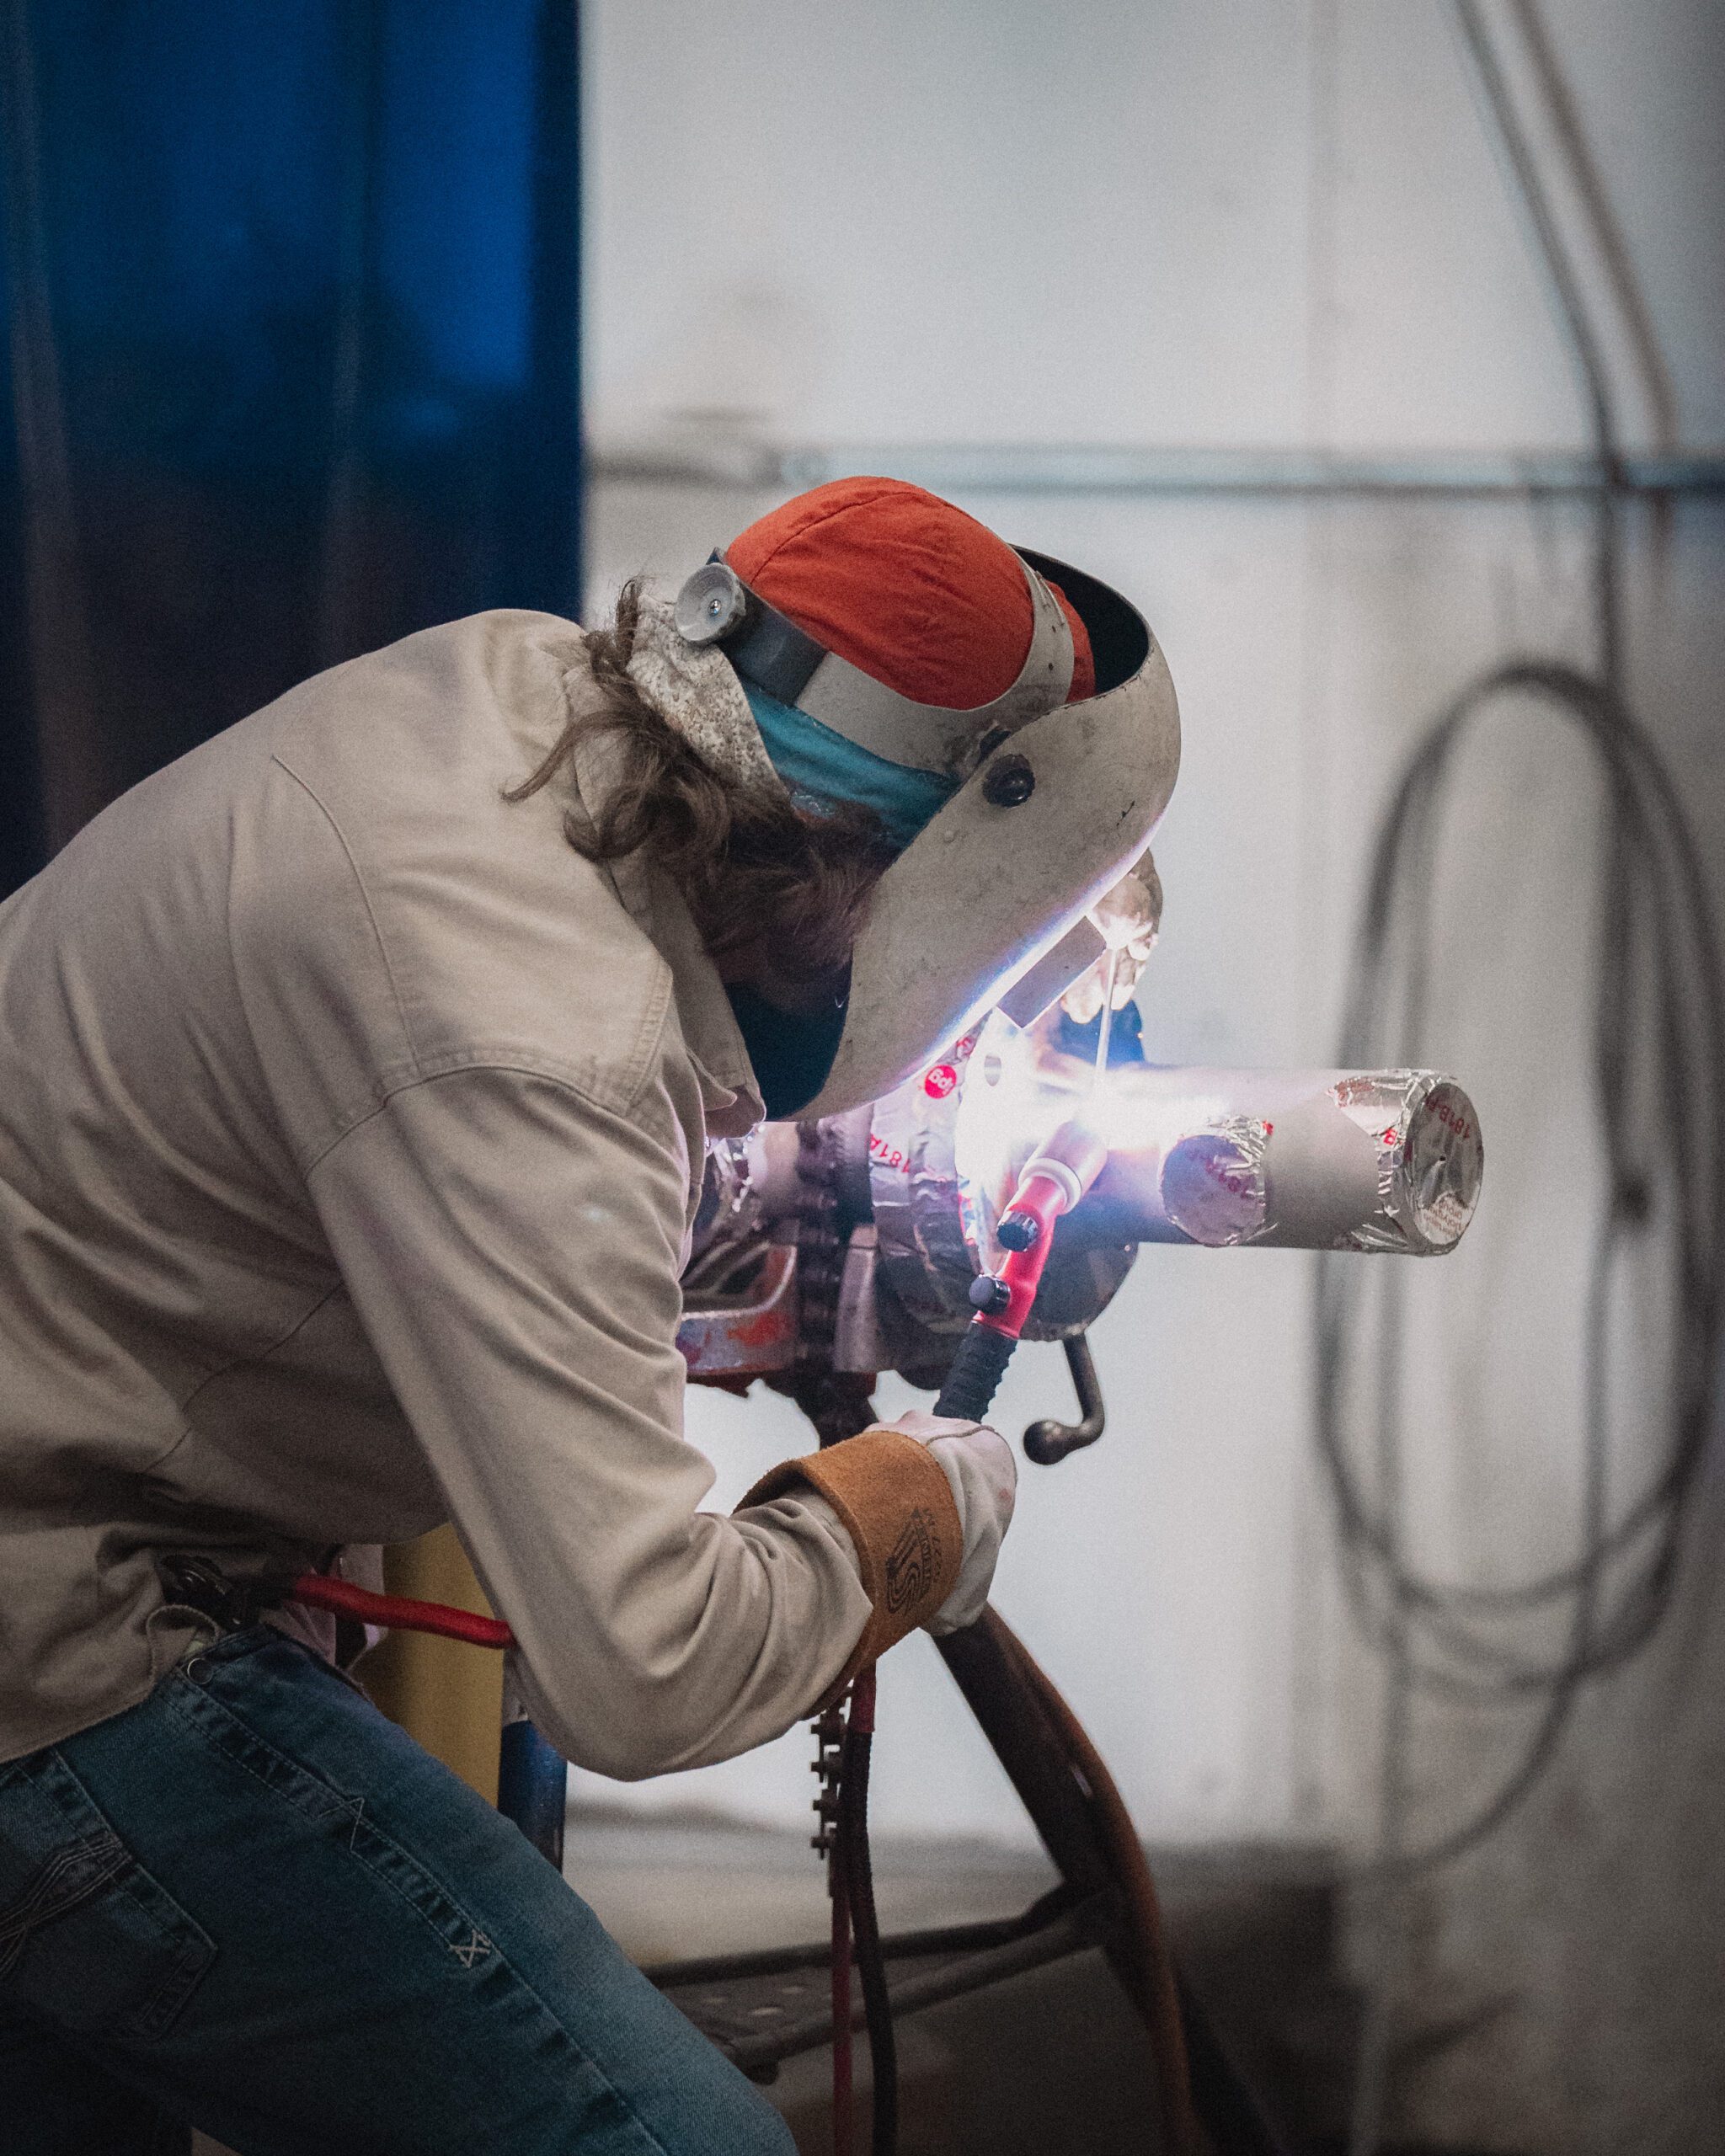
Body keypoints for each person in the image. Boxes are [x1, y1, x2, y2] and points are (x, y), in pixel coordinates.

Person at [0, 476, 1178, 2153]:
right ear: (883, 874)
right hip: (56, 1648)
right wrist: (912, 1512)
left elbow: (405, 1176)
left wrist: (747, 1215)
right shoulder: (533, 1031)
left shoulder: (510, 685)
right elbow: (644, 1668)